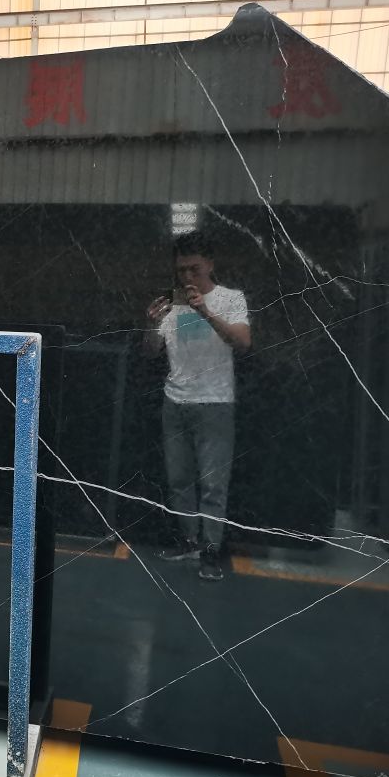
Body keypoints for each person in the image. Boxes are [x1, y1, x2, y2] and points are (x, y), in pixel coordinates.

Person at [143, 231, 250, 581]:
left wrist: (205, 312)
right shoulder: (172, 304)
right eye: (181, 270)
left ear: (210, 265)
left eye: (194, 269)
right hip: (175, 401)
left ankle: (211, 550)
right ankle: (190, 540)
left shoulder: (231, 298)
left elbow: (243, 342)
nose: (187, 277)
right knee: (179, 479)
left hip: (215, 402)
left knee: (214, 483)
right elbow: (151, 351)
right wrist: (151, 325)